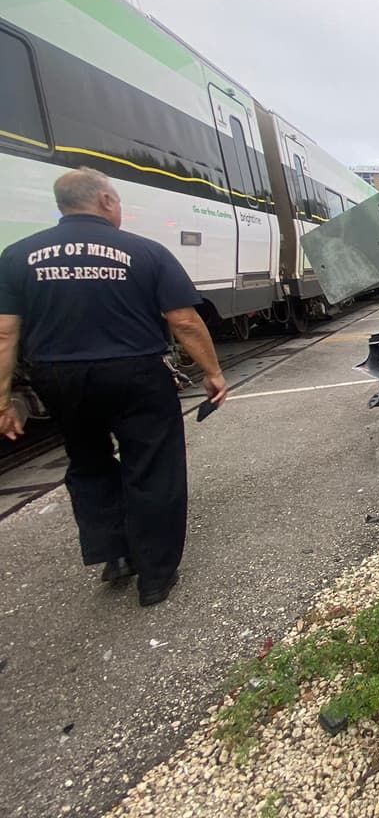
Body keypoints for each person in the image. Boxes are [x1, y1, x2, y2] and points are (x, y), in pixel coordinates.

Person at [0, 169, 228, 607]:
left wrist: (3, 399)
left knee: (88, 463)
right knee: (153, 466)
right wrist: (212, 372)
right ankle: (156, 578)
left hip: (60, 378)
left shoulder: (17, 256)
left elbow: (6, 334)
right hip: (136, 374)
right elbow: (183, 320)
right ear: (106, 201)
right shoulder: (145, 252)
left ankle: (115, 556)